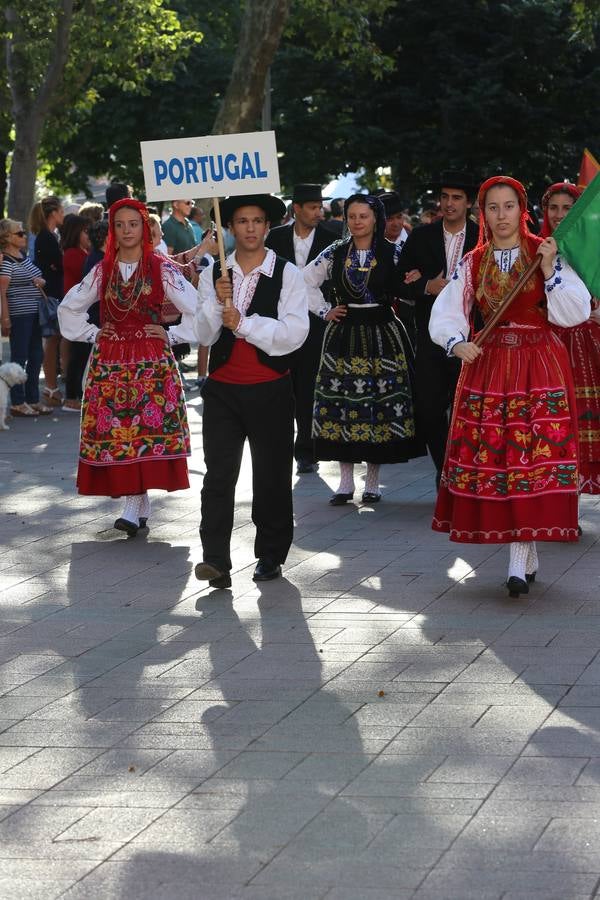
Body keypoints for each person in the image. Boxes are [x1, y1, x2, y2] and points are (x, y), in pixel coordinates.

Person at [429, 175, 591, 597]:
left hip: (539, 363)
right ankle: (526, 548)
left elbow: (572, 311)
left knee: (531, 458)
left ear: (523, 210)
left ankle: (518, 558)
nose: (502, 215)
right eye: (494, 207)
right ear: (483, 213)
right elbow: (449, 308)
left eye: (509, 206)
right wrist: (457, 341)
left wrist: (552, 268)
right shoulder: (474, 261)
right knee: (499, 459)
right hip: (490, 366)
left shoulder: (545, 252)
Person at [58, 198, 198, 536]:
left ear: (143, 227)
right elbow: (68, 309)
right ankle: (136, 502)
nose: (126, 230)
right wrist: (92, 333)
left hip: (151, 362)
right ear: (112, 230)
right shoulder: (102, 270)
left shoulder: (161, 267)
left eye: (132, 224)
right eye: (119, 225)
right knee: (119, 431)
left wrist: (171, 333)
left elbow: (198, 308)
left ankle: (134, 504)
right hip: (109, 362)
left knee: (143, 431)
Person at [193, 193, 309, 589]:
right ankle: (215, 561)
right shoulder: (215, 272)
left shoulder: (287, 274)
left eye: (257, 220)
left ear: (268, 225)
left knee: (271, 475)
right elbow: (204, 334)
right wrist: (216, 303)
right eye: (241, 221)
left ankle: (271, 554)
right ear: (230, 228)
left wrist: (243, 322)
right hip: (223, 390)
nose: (250, 228)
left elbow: (294, 335)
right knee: (219, 476)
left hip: (270, 388)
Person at [304, 194, 425, 504]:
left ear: (375, 220)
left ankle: (372, 481)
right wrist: (324, 310)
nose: (357, 221)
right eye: (352, 216)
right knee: (343, 405)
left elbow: (408, 287)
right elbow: (305, 280)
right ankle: (345, 483)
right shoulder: (335, 252)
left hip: (382, 333)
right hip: (344, 334)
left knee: (378, 406)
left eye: (363, 216)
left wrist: (414, 280)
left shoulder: (392, 252)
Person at [399, 171, 480, 487]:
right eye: (445, 197)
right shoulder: (421, 236)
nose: (449, 203)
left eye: (456, 198)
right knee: (430, 407)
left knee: (470, 407)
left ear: (469, 203)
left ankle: (465, 469)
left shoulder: (481, 237)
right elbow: (398, 279)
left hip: (473, 336)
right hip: (431, 335)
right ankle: (444, 467)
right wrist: (425, 285)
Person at [265, 183, 335, 473]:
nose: (319, 212)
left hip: (317, 325)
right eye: (313, 207)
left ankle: (306, 450)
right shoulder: (276, 237)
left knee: (308, 388)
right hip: (281, 323)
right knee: (282, 388)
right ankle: (278, 447)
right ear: (297, 209)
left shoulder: (332, 238)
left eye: (320, 207)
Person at [541, 182, 600, 496]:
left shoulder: (591, 248)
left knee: (587, 414)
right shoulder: (537, 248)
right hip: (549, 343)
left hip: (588, 344)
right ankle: (565, 496)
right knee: (557, 417)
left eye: (567, 208)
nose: (559, 215)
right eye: (554, 208)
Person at [0, 219, 51, 416]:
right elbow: (2, 293)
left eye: (23, 232)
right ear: (7, 238)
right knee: (20, 357)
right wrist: (5, 319)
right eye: (19, 233)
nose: (24, 235)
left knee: (36, 355)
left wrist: (42, 281)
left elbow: (37, 277)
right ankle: (17, 401)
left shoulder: (23, 256)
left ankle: (32, 399)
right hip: (19, 315)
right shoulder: (5, 261)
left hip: (34, 313)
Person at [31, 195, 65, 408]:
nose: (63, 215)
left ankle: (50, 387)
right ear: (53, 213)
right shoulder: (47, 237)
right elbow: (57, 265)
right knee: (51, 340)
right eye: (61, 211)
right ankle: (50, 387)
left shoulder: (48, 236)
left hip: (51, 292)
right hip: (50, 294)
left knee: (52, 340)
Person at [62, 215, 92, 412]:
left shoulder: (82, 252)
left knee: (82, 353)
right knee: (78, 354)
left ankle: (75, 394)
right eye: (85, 231)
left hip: (82, 308)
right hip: (76, 308)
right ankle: (71, 396)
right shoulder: (73, 253)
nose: (88, 235)